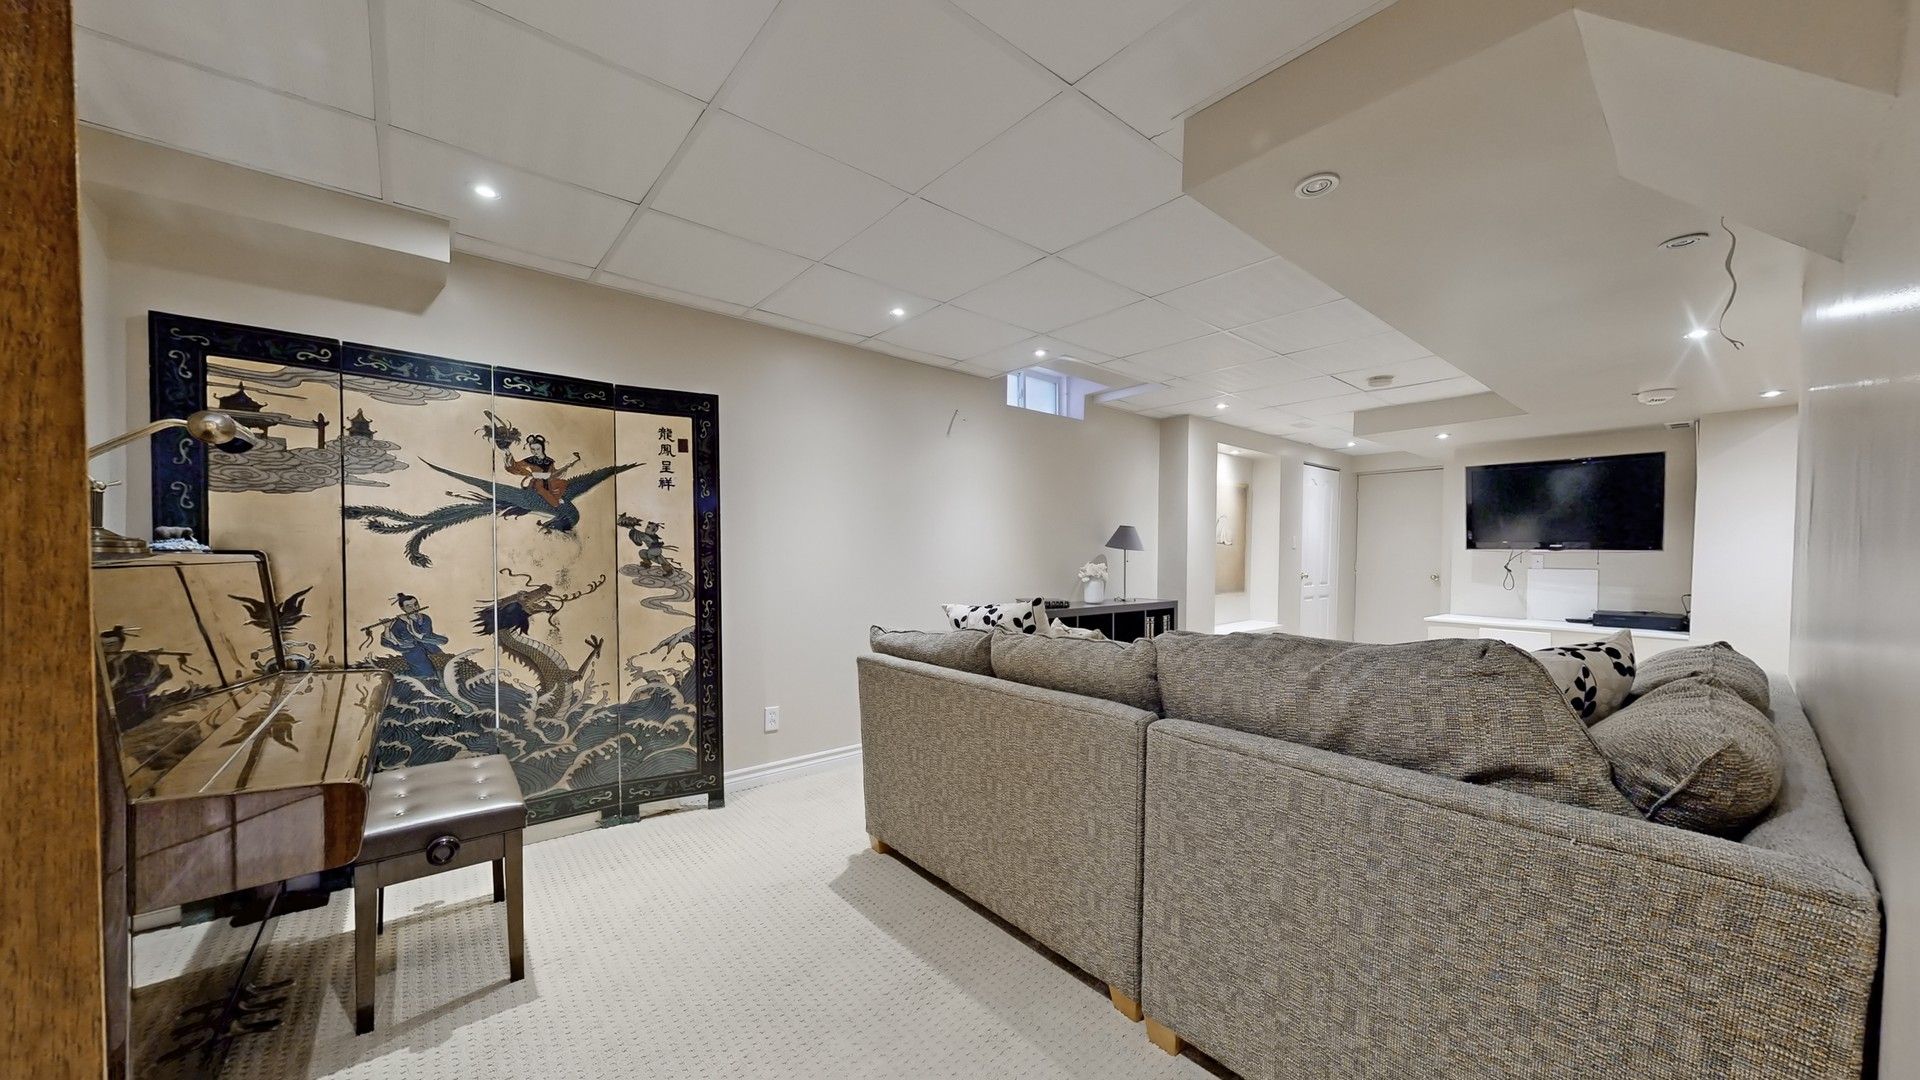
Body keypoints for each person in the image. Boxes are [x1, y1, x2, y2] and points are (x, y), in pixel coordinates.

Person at [380, 593, 448, 681]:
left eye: (416, 604)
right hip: (412, 651)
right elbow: (389, 641)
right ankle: (399, 676)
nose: (414, 608)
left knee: (445, 666)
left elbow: (423, 636)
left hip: (429, 647)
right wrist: (387, 627)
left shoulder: (425, 618)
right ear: (403, 608)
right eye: (409, 606)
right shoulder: (398, 623)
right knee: (426, 673)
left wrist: (410, 622)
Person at [504, 434, 573, 508]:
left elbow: (553, 473)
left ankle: (555, 498)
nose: (535, 452)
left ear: (542, 448)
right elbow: (515, 467)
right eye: (532, 449)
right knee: (544, 493)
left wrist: (564, 468)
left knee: (562, 483)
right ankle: (555, 503)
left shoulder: (549, 461)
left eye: (538, 449)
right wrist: (508, 453)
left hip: (549, 482)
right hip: (537, 483)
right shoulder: (530, 460)